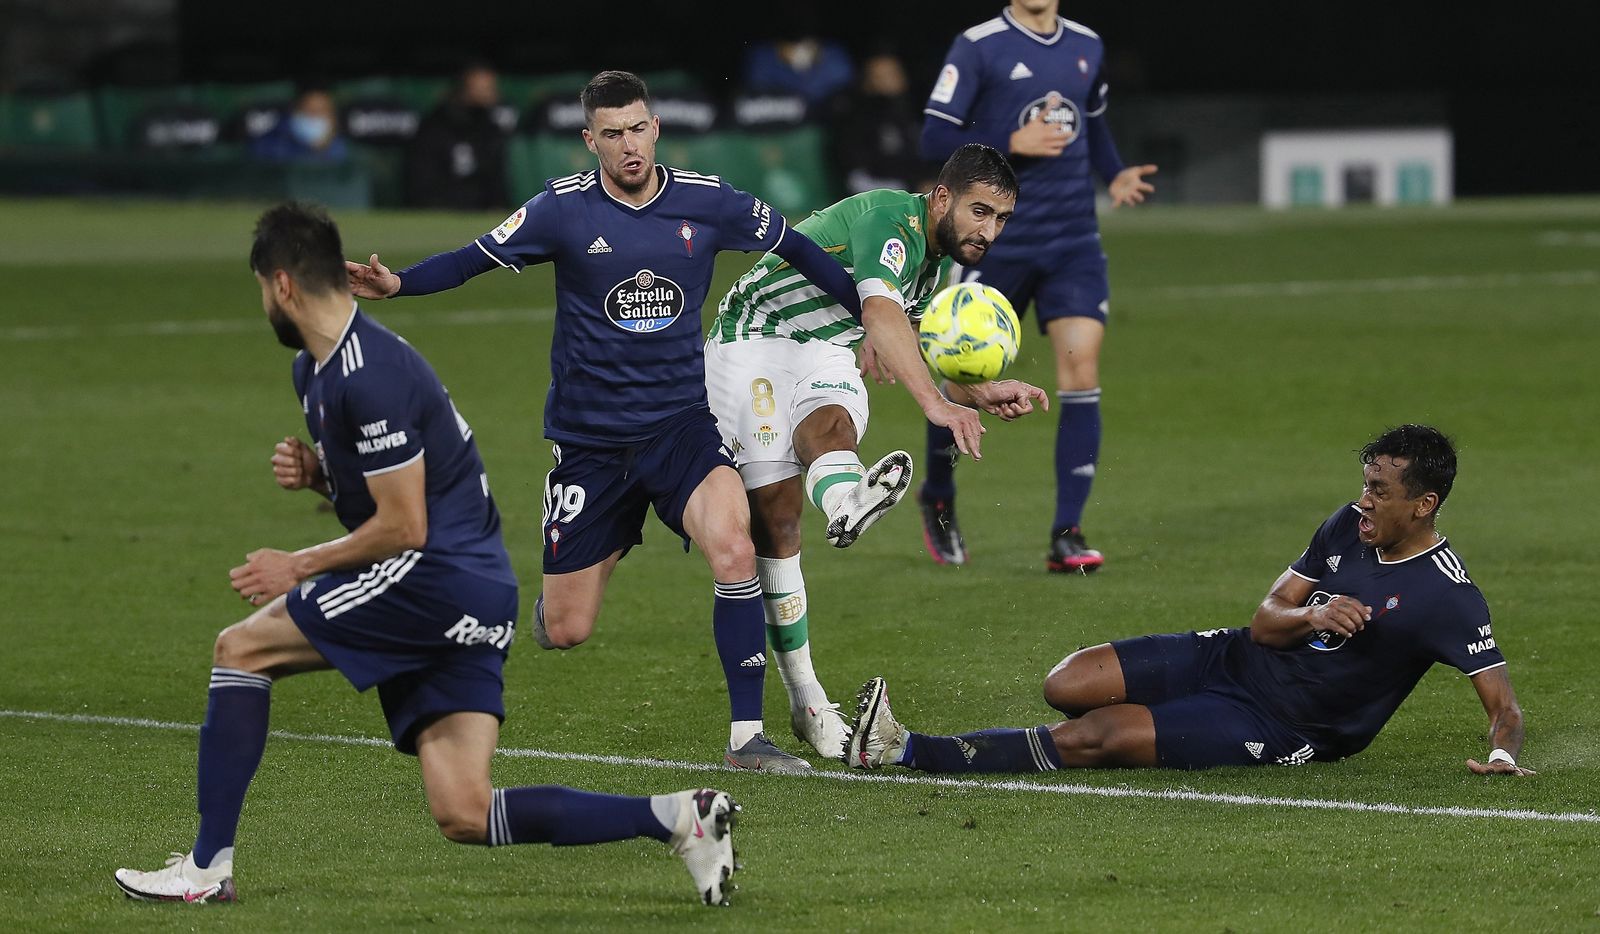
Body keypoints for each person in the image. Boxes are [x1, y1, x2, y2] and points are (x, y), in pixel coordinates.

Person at [112, 202, 742, 908]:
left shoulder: (370, 373)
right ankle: (679, 819)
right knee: (465, 813)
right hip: (476, 590)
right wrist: (321, 477)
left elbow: (405, 527)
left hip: (430, 579)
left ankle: (205, 869)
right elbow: (388, 497)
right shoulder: (317, 373)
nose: (266, 303)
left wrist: (300, 564)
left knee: (241, 651)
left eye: (263, 289)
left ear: (283, 285)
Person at [344, 70, 866, 772]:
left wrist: (870, 316)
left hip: (681, 429)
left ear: (656, 128)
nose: (629, 145)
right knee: (567, 630)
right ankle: (603, 547)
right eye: (612, 134)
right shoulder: (560, 211)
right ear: (591, 140)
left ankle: (747, 738)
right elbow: (475, 259)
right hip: (591, 447)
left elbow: (799, 250)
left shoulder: (708, 203)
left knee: (736, 548)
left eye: (639, 128)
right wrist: (401, 282)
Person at [848, 425, 1534, 778]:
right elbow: (1267, 623)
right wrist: (1314, 616)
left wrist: (1502, 756)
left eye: (1380, 490)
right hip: (1235, 658)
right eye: (1365, 482)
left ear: (1424, 504)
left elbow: (1503, 707)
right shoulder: (1344, 527)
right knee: (1066, 684)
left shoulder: (1449, 598)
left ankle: (903, 750)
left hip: (1287, 725)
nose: (1365, 499)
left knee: (1099, 736)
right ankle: (1142, 721)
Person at [704, 143, 1050, 759]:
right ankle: (808, 701)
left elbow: (913, 341)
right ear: (942, 198)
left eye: (1001, 219)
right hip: (752, 341)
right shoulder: (892, 221)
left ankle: (844, 501)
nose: (989, 231)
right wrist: (936, 408)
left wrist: (977, 390)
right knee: (778, 525)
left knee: (832, 426)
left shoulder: (934, 264)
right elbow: (883, 317)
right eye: (979, 212)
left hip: (821, 350)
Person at [916, 1, 1158, 571]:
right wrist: (1010, 141)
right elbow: (933, 138)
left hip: (1072, 243)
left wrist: (1115, 170)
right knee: (960, 380)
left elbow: (1091, 123)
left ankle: (1066, 533)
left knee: (1081, 372)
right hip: (991, 240)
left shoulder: (1087, 45)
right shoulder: (978, 45)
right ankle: (940, 495)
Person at [828, 49, 938, 196]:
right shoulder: (856, 118)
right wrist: (914, 184)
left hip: (920, 183)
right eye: (879, 77)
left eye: (892, 74)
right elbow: (860, 171)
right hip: (879, 187)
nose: (888, 81)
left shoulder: (917, 110)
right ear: (867, 82)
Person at [406, 62, 510, 210]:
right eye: (483, 88)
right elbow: (421, 184)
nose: (491, 93)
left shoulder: (490, 130)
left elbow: (496, 183)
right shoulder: (434, 128)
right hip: (435, 211)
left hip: (480, 212)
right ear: (463, 88)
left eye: (491, 88)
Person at [249, 85, 349, 163]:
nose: (313, 116)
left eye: (321, 110)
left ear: (332, 118)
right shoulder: (267, 146)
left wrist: (321, 148)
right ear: (294, 112)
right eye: (307, 109)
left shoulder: (340, 152)